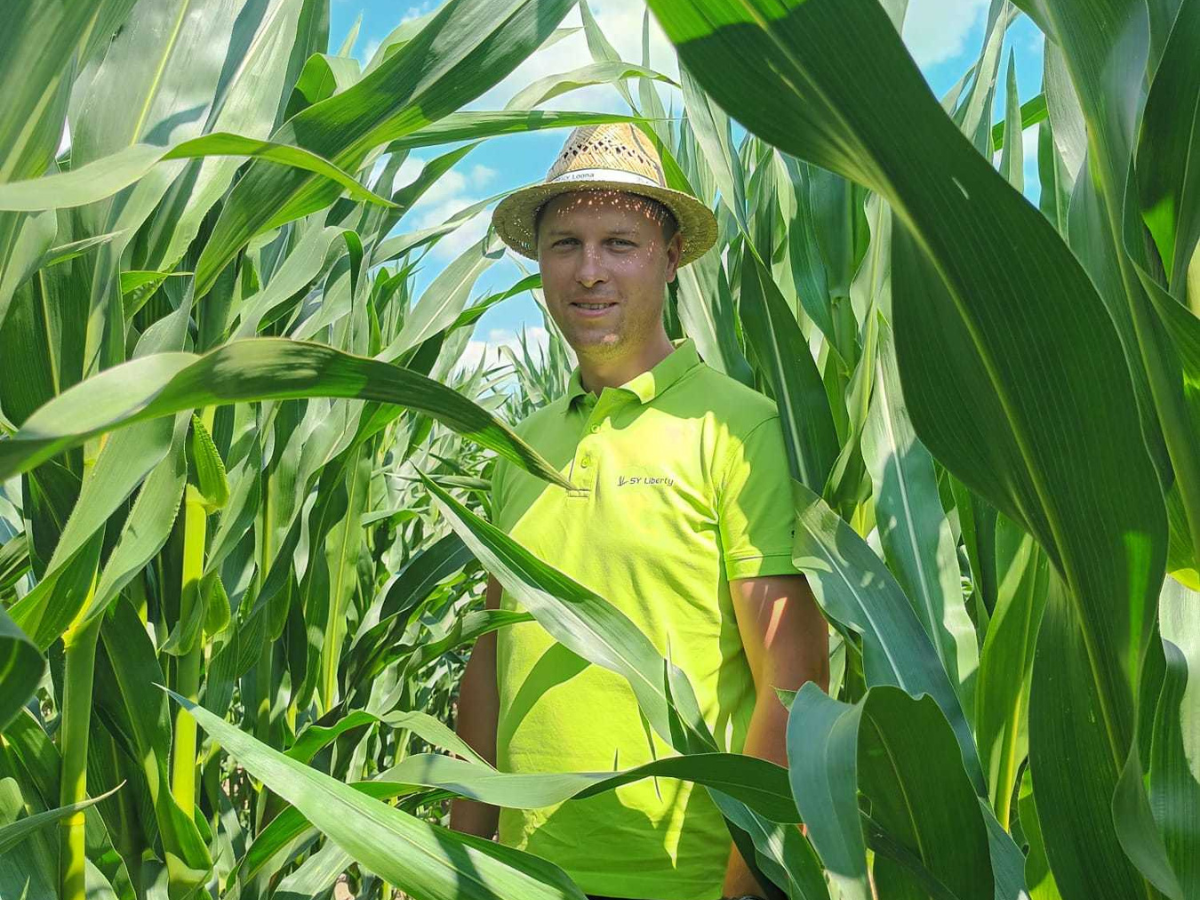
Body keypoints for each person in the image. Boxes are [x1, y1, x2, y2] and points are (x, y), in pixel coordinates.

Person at [449, 123, 829, 900]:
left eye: (619, 242)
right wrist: (463, 863)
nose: (589, 272)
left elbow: (791, 676)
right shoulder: (520, 447)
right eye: (565, 244)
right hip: (526, 878)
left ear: (670, 256)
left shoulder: (734, 426)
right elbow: (489, 665)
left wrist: (746, 885)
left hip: (680, 880)